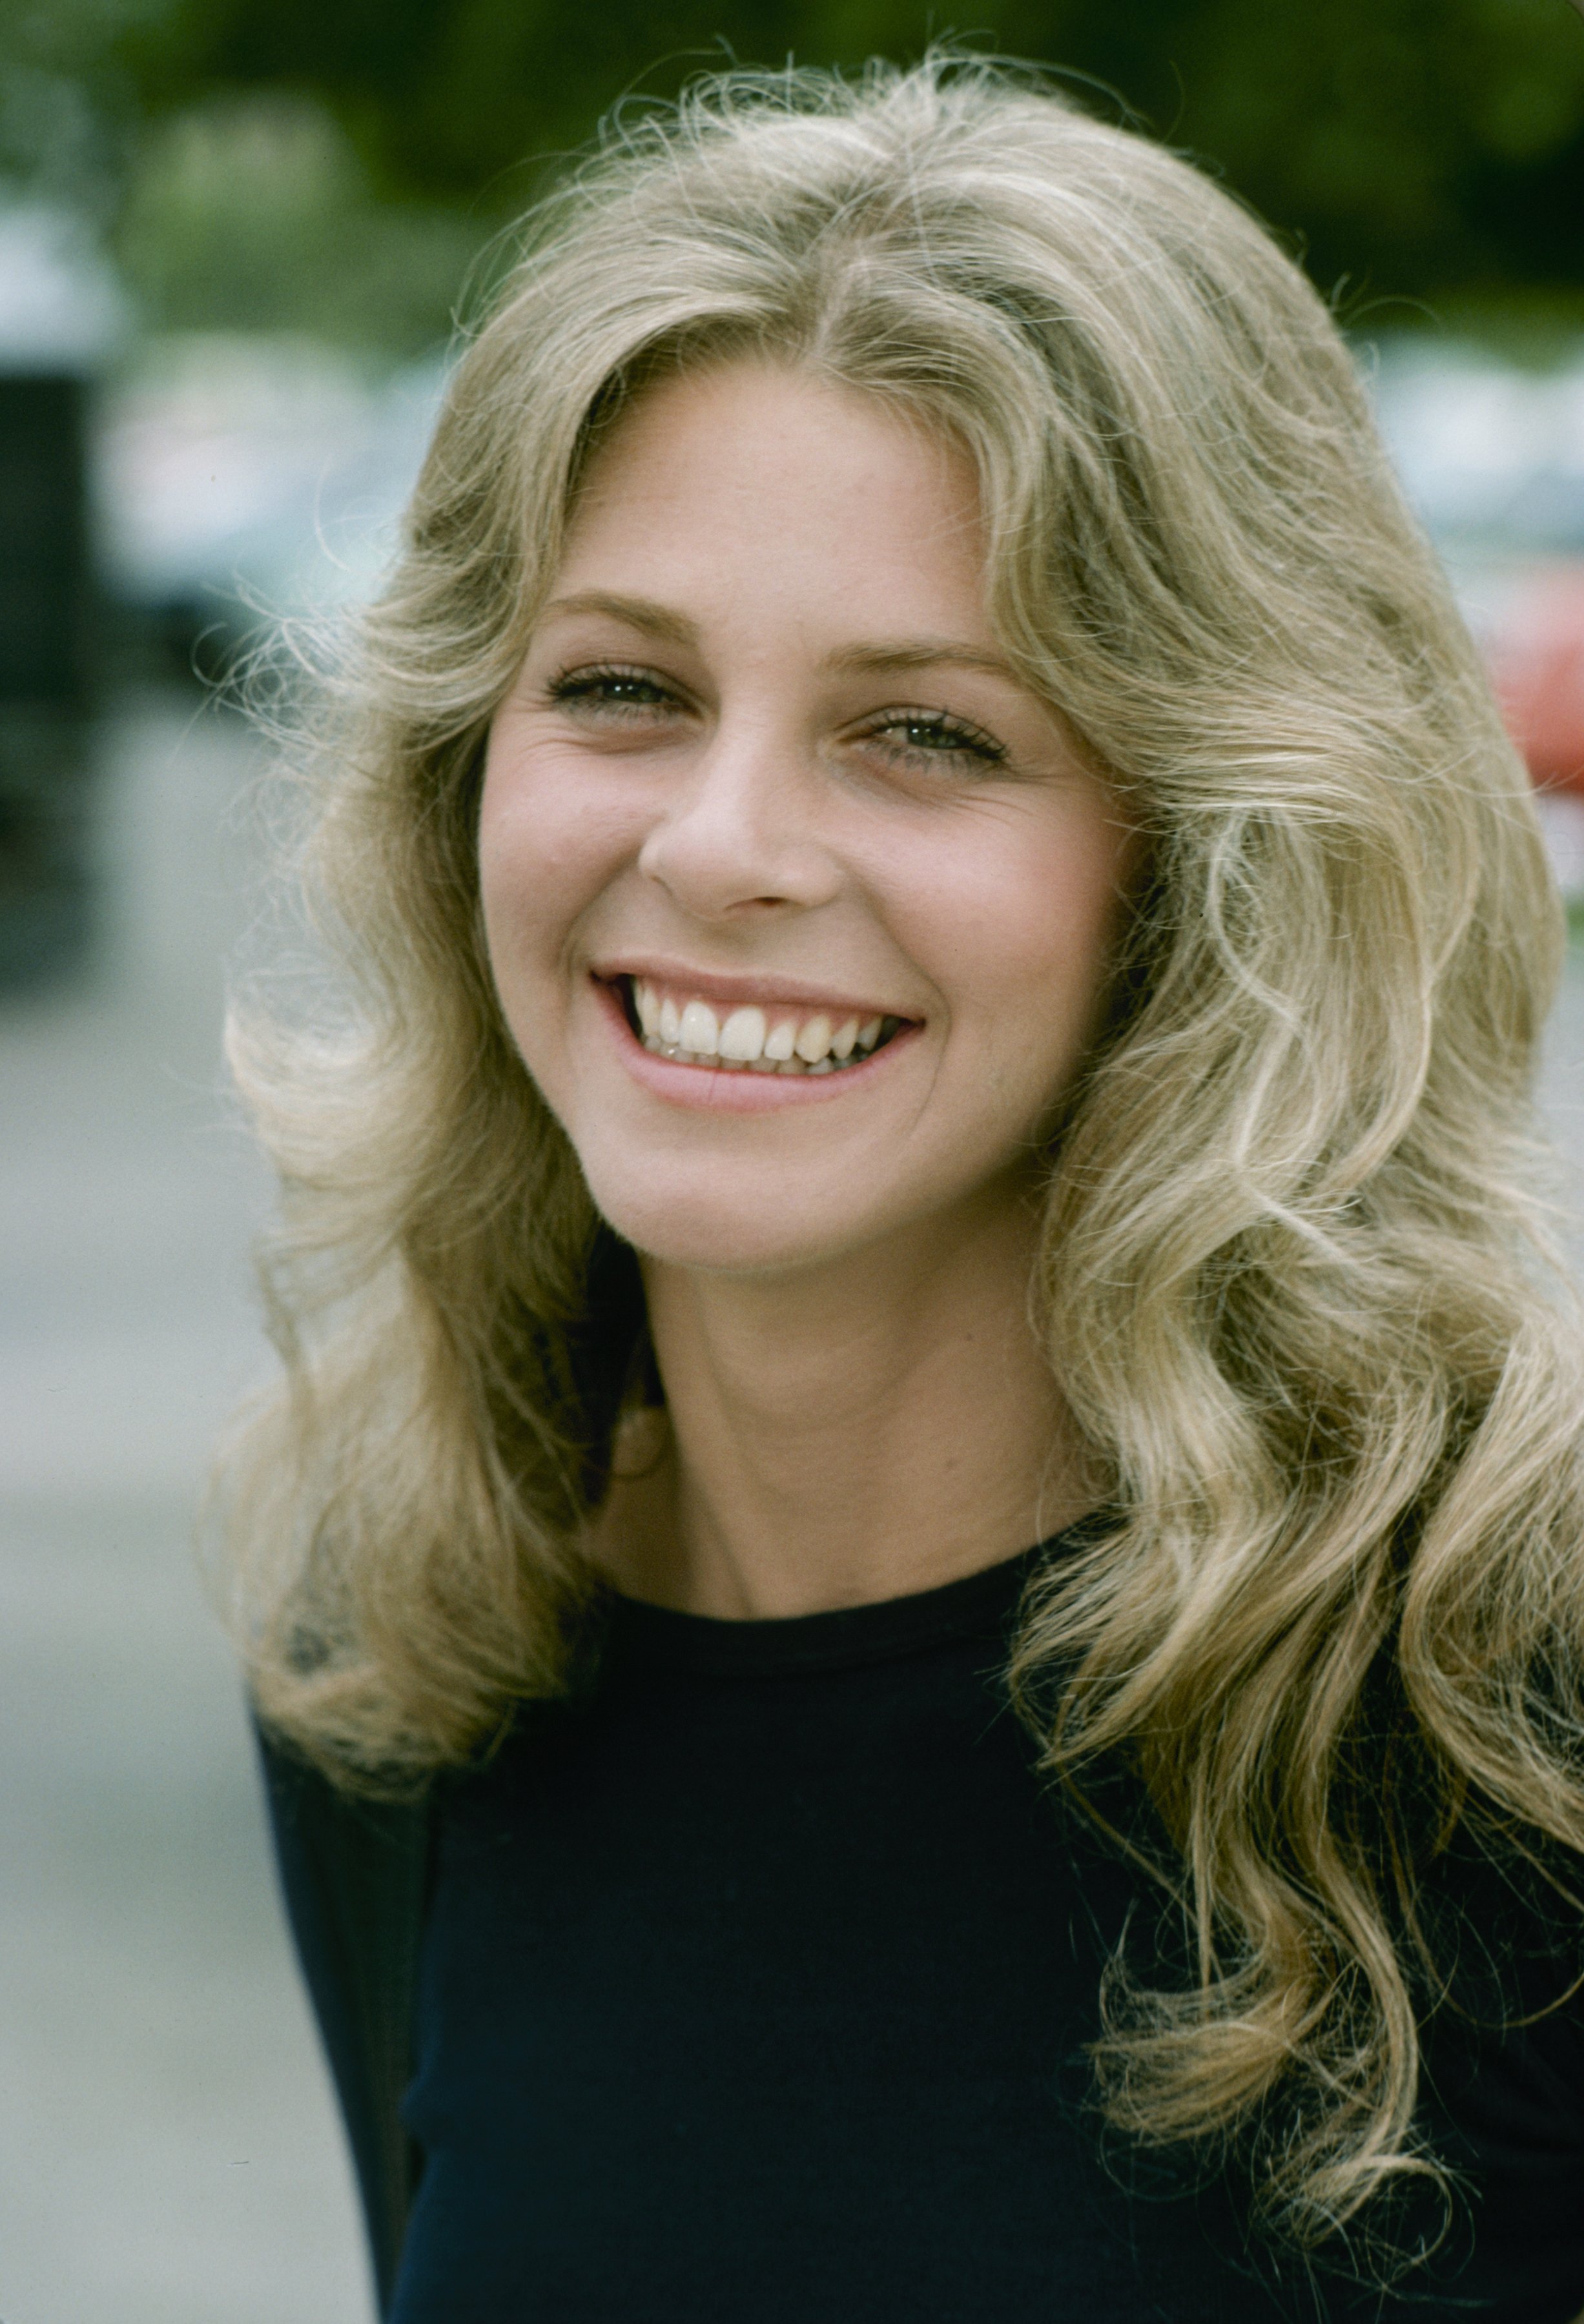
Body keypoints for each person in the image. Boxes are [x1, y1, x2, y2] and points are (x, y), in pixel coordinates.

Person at [221, 55, 1584, 2324]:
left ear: (1206, 862)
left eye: (926, 733)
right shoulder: (398, 1672)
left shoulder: (1512, 1708)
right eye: (624, 689)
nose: (724, 847)